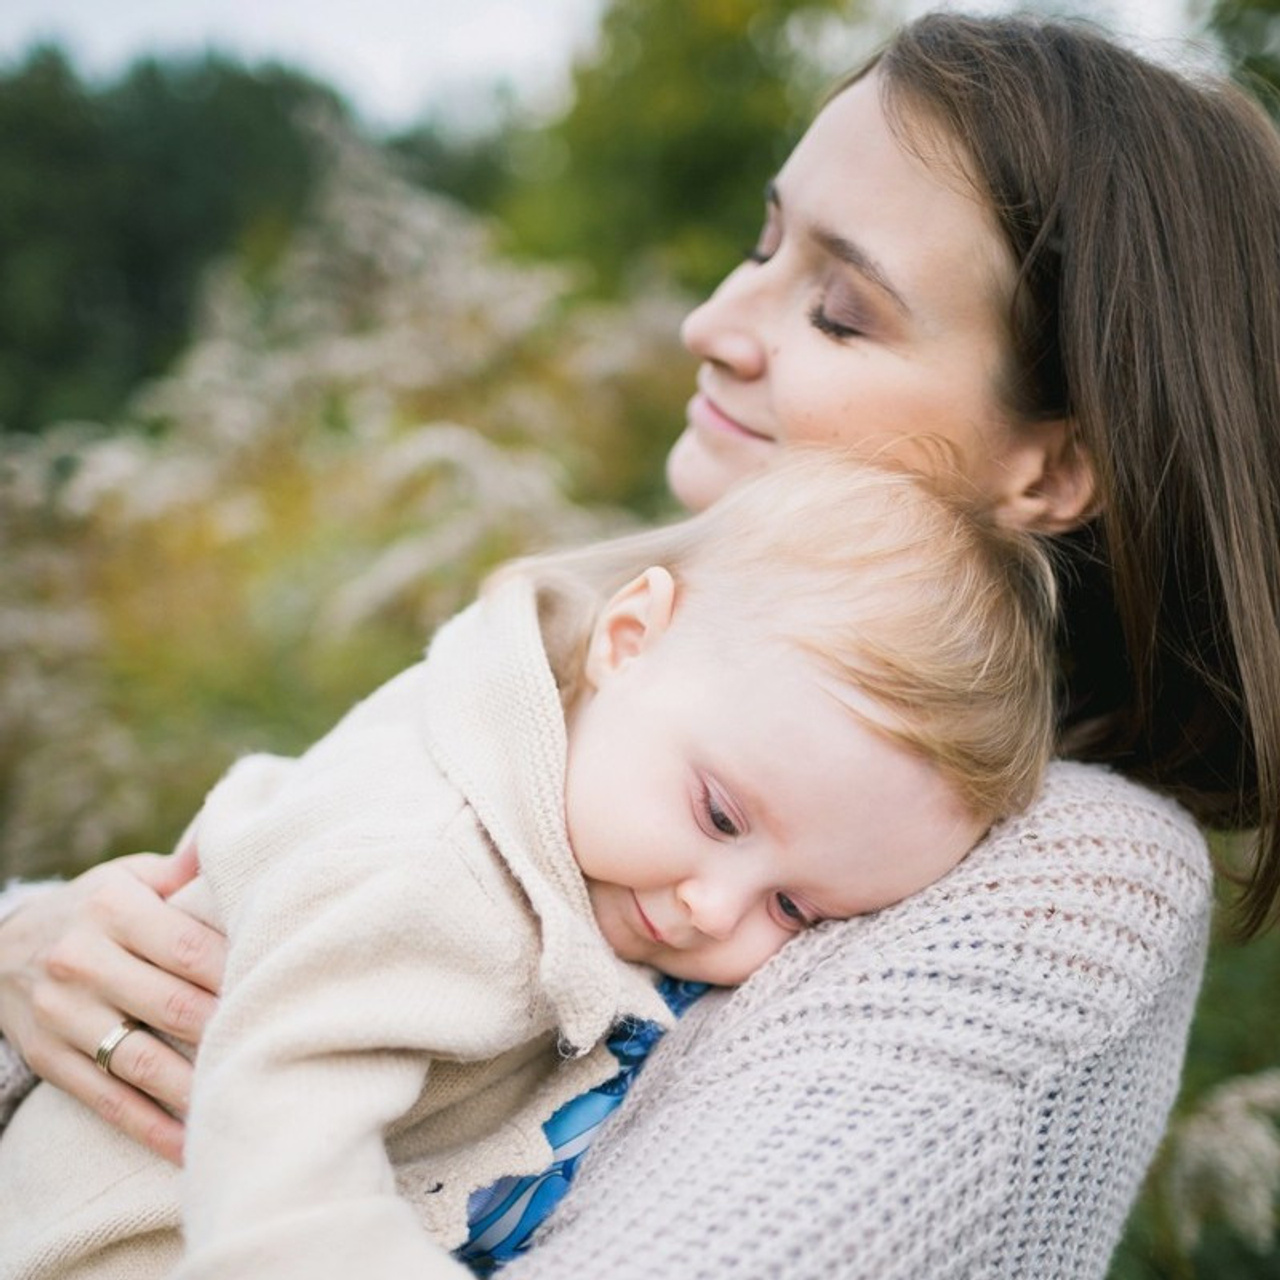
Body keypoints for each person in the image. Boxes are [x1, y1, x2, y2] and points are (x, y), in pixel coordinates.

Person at [1, 9, 1277, 1276]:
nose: (713, 321)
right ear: (633, 639)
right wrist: (41, 945)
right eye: (760, 243)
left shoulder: (1059, 877)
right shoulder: (606, 674)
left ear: (1055, 467)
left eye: (836, 309)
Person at [0, 454, 1058, 1279]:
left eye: (795, 906)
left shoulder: (554, 752)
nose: (708, 906)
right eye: (720, 812)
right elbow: (275, 1174)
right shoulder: (434, 873)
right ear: (629, 637)